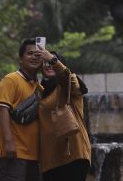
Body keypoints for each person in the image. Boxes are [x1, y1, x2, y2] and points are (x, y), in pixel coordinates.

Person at [0, 38, 43, 181]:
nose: (34, 57)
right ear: (20, 59)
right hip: (14, 153)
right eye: (30, 53)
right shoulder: (11, 79)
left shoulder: (39, 87)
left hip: (33, 154)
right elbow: (2, 109)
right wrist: (9, 143)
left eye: (38, 55)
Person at [38, 52, 91, 181]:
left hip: (72, 155)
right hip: (50, 159)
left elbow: (68, 79)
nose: (48, 65)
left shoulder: (68, 85)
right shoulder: (39, 91)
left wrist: (52, 60)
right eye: (45, 62)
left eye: (52, 62)